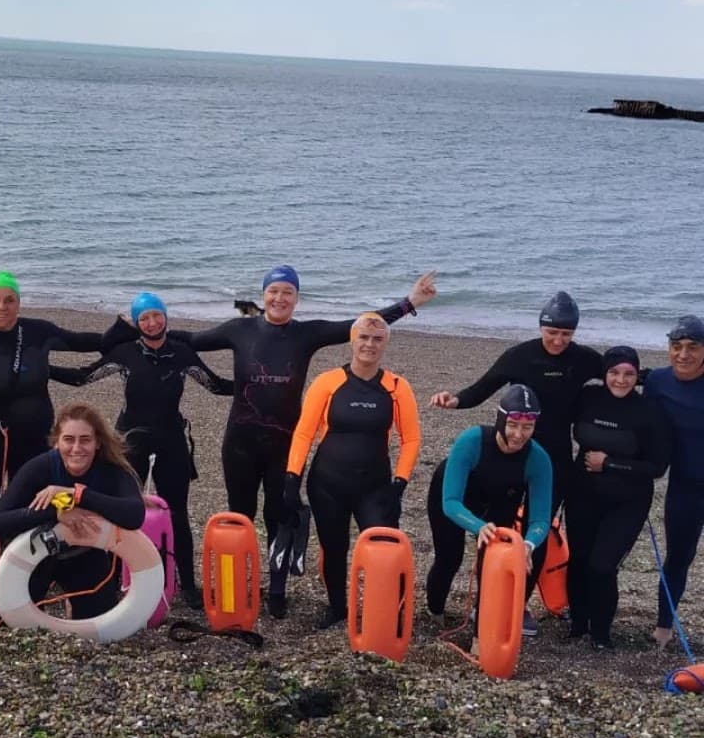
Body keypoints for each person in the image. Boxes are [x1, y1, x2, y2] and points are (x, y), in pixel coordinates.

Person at [171, 265, 437, 617]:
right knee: (241, 516)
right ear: (263, 295)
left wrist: (410, 303)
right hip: (240, 443)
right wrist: (150, 328)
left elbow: (361, 326)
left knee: (281, 515)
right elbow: (192, 340)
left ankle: (277, 589)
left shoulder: (306, 334)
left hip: (283, 443)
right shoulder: (240, 329)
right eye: (274, 291)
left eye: (288, 292)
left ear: (297, 298)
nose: (279, 298)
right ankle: (239, 587)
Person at [430, 290, 601, 634]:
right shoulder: (520, 357)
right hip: (501, 453)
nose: (558, 340)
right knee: (465, 547)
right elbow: (485, 387)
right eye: (552, 332)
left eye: (566, 334)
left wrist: (656, 381)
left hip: (548, 457)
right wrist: (456, 399)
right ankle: (439, 609)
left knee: (527, 538)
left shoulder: (584, 359)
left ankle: (512, 605)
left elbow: (620, 374)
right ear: (541, 327)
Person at [49, 292, 232, 609]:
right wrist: (44, 369)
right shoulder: (125, 354)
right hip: (130, 441)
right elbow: (83, 377)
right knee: (122, 509)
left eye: (156, 315)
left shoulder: (182, 353)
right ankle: (116, 576)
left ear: (165, 317)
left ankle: (186, 583)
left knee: (176, 512)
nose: (152, 322)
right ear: (136, 323)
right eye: (144, 318)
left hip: (171, 439)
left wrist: (253, 382)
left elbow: (215, 385)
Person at [284, 313, 421, 628]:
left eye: (377, 339)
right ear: (352, 340)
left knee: (384, 546)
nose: (369, 345)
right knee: (334, 548)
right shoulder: (328, 382)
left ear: (385, 343)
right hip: (327, 483)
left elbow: (411, 439)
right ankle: (337, 609)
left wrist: (399, 483)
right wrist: (292, 478)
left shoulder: (397, 388)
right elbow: (304, 433)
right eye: (363, 337)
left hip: (375, 486)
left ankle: (387, 609)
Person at [0, 272, 123, 507]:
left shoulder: (38, 332)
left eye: (10, 300)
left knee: (33, 505)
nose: (2, 307)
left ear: (18, 303)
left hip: (35, 439)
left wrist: (125, 330)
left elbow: (84, 342)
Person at [0, 402, 146, 620]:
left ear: (98, 443)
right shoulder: (40, 467)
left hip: (84, 555)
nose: (76, 448)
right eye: (68, 439)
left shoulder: (112, 470)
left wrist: (78, 495)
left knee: (101, 628)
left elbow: (135, 515)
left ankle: (76, 604)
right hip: (33, 553)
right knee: (19, 629)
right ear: (56, 443)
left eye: (85, 440)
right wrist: (56, 511)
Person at [566, 347, 670, 651]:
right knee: (580, 560)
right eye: (614, 372)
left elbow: (657, 467)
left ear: (637, 376)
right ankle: (577, 624)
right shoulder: (587, 398)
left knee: (602, 565)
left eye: (628, 374)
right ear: (604, 374)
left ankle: (601, 633)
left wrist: (608, 463)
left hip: (628, 501)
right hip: (582, 494)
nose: (621, 380)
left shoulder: (649, 411)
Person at [426, 385, 553, 631]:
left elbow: (540, 519)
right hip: (455, 495)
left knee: (492, 565)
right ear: (501, 419)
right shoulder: (472, 441)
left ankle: (480, 634)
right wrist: (479, 526)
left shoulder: (538, 459)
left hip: (499, 501)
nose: (519, 435)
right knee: (449, 558)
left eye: (527, 427)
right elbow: (450, 502)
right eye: (513, 425)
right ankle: (435, 611)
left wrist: (527, 544)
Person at [643, 314, 704, 648]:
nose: (683, 354)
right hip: (686, 486)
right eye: (676, 346)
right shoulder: (657, 383)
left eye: (692, 347)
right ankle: (664, 627)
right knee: (680, 556)